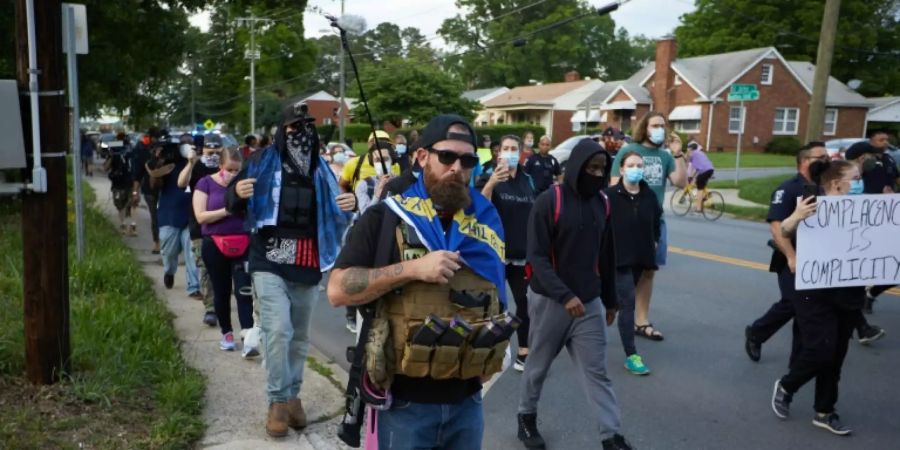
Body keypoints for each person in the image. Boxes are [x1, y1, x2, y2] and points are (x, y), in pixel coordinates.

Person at [328, 114, 508, 449]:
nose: (457, 167)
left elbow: (497, 299)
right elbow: (337, 290)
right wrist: (412, 270)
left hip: (468, 402)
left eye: (467, 160)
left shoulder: (486, 221)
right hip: (406, 405)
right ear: (422, 157)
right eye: (447, 157)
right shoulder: (386, 216)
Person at [226, 101, 356, 438]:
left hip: (308, 261)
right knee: (278, 330)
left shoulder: (322, 171)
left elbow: (339, 211)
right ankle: (277, 402)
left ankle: (294, 395)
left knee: (299, 337)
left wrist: (351, 203)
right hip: (268, 259)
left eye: (307, 127)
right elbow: (233, 201)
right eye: (294, 127)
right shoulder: (258, 162)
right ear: (282, 132)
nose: (302, 133)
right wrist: (237, 194)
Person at [518, 138, 632, 450]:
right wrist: (564, 295)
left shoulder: (602, 203)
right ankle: (526, 417)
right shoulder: (549, 201)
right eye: (590, 168)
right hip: (550, 301)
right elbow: (537, 257)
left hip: (589, 303)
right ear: (576, 167)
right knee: (538, 366)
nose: (595, 174)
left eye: (601, 169)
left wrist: (610, 299)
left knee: (597, 372)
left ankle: (612, 436)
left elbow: (606, 254)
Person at [744, 143, 884, 362]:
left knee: (820, 305)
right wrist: (792, 256)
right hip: (794, 258)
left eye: (827, 157)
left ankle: (801, 360)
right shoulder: (788, 189)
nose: (826, 161)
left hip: (824, 260)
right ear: (804, 161)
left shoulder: (827, 186)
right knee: (793, 303)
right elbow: (777, 228)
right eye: (820, 157)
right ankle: (757, 332)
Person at [771, 160, 866, 436]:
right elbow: (784, 230)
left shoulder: (867, 208)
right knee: (821, 349)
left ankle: (825, 411)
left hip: (848, 290)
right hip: (814, 290)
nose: (860, 182)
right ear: (837, 183)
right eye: (855, 178)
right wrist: (796, 216)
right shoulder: (813, 204)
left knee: (836, 356)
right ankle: (788, 384)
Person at [610, 112, 687, 341]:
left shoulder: (665, 156)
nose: (659, 129)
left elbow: (681, 182)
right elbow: (614, 185)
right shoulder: (628, 151)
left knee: (648, 271)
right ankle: (614, 310)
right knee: (623, 271)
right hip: (627, 221)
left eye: (662, 126)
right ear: (645, 127)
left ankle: (640, 320)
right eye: (655, 125)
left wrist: (678, 153)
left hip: (654, 222)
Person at [194, 148, 256, 356]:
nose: (232, 174)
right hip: (214, 243)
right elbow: (201, 216)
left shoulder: (245, 184)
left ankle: (247, 335)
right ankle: (227, 333)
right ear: (220, 165)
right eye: (229, 169)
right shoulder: (206, 183)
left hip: (243, 242)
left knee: (244, 291)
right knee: (221, 291)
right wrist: (227, 210)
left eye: (237, 170)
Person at [481, 135, 535, 372]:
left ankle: (524, 350)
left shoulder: (527, 179)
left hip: (521, 253)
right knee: (491, 303)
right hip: (496, 253)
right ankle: (483, 349)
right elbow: (480, 208)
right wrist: (491, 183)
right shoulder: (489, 176)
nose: (511, 152)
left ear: (521, 152)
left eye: (515, 148)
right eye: (506, 148)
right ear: (498, 152)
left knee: (525, 302)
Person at [605, 150, 661, 376]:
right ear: (622, 169)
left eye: (639, 165)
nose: (636, 169)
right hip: (618, 260)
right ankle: (631, 355)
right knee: (627, 301)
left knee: (616, 303)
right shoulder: (609, 196)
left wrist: (655, 243)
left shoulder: (649, 196)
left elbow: (656, 223)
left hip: (641, 259)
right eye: (631, 165)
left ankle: (579, 328)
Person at [844, 134, 898, 313]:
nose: (875, 159)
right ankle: (858, 317)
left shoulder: (888, 160)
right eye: (872, 156)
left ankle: (868, 296)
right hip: (862, 227)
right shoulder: (847, 178)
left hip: (886, 217)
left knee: (892, 265)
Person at [344, 146, 396, 333]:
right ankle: (354, 313)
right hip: (367, 237)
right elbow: (366, 215)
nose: (382, 162)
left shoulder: (399, 183)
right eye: (377, 159)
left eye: (386, 158)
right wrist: (378, 194)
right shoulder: (365, 184)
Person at [148, 134, 201, 298]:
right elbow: (154, 185)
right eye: (184, 144)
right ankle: (169, 271)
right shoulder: (166, 164)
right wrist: (159, 162)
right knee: (169, 252)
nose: (187, 146)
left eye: (189, 143)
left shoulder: (196, 164)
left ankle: (194, 287)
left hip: (191, 214)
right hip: (169, 213)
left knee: (192, 253)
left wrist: (193, 161)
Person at [178, 135, 223, 322]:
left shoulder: (226, 166)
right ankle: (210, 308)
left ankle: (221, 302)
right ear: (201, 149)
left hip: (225, 227)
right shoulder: (196, 166)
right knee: (205, 268)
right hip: (200, 228)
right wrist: (190, 162)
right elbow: (181, 183)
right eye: (208, 150)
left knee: (223, 270)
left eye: (216, 150)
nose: (212, 153)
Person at [131, 127, 163, 254]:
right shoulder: (142, 151)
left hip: (165, 188)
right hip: (150, 189)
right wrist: (135, 192)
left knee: (160, 216)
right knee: (155, 216)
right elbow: (138, 173)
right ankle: (157, 243)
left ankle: (162, 242)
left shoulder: (167, 150)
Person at [104, 132, 136, 236]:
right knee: (120, 205)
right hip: (118, 184)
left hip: (129, 182)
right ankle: (124, 225)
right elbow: (106, 168)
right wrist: (111, 156)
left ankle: (130, 226)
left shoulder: (130, 151)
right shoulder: (114, 152)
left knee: (131, 205)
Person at [686, 141, 715, 211]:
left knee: (699, 189)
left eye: (688, 149)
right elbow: (696, 169)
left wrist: (690, 178)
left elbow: (687, 160)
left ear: (691, 149)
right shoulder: (699, 154)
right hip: (709, 170)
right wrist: (692, 177)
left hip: (705, 171)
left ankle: (698, 208)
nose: (687, 150)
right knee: (699, 183)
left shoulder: (693, 153)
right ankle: (704, 199)